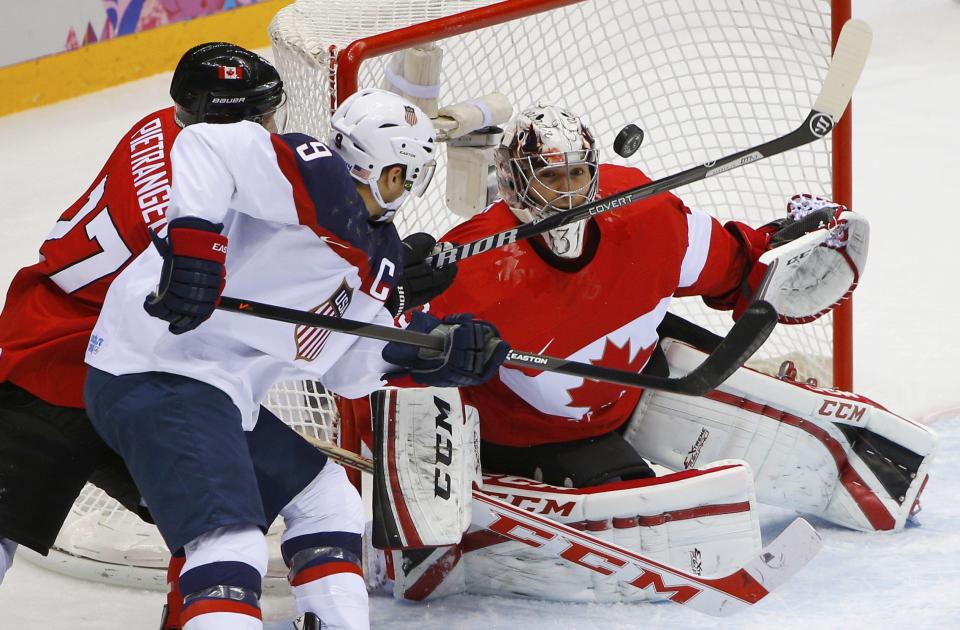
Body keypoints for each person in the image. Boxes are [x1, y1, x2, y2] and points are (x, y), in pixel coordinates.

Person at [358, 102, 935, 603]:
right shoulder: (470, 267)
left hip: (643, 386)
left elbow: (736, 270)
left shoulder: (644, 212)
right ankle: (442, 549)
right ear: (512, 185)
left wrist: (785, 261)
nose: (566, 192)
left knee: (803, 435)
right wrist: (433, 361)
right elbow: (383, 369)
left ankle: (865, 476)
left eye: (577, 174)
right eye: (547, 179)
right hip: (528, 436)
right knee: (679, 513)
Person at [0, 42, 458, 630]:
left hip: (55, 349)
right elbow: (269, 295)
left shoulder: (166, 134)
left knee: (213, 515)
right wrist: (385, 286)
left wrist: (380, 277)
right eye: (261, 116)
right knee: (217, 524)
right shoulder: (201, 190)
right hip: (82, 364)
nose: (273, 127)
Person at [81, 82, 508, 630]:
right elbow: (204, 145)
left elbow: (348, 369)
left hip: (219, 392)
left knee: (330, 504)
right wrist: (195, 251)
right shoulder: (314, 177)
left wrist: (432, 352)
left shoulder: (375, 252)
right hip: (158, 370)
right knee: (229, 541)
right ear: (398, 174)